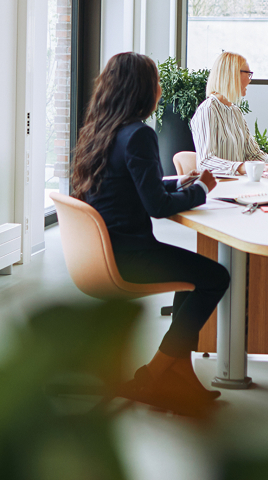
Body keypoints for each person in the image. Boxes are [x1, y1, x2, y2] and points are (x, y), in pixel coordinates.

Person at [72, 52, 229, 416]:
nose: (160, 89)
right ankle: (153, 374)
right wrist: (203, 188)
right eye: (156, 82)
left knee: (187, 277)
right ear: (141, 90)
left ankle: (180, 374)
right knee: (215, 276)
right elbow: (156, 206)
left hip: (102, 251)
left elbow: (134, 187)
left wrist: (179, 183)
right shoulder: (139, 134)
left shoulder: (100, 130)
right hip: (129, 256)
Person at [191, 52, 268, 176]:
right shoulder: (208, 109)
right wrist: (244, 167)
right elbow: (205, 161)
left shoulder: (235, 111)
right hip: (219, 187)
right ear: (232, 75)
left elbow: (252, 153)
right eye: (248, 73)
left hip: (238, 184)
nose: (250, 79)